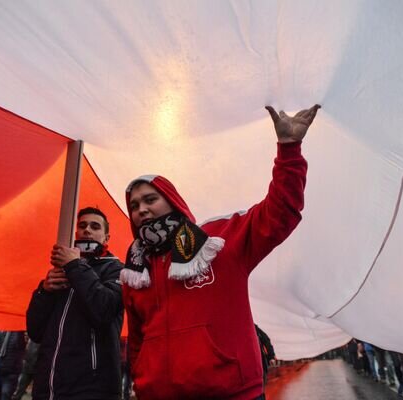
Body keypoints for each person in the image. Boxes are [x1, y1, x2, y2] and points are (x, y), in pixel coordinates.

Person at [121, 104, 320, 400]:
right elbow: (138, 338)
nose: (141, 209)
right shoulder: (136, 271)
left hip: (232, 393)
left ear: (173, 202)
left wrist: (289, 150)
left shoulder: (219, 239)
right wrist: (141, 379)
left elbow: (281, 213)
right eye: (134, 205)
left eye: (150, 199)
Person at [27, 207, 124, 400]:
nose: (87, 229)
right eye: (82, 225)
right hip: (48, 387)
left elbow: (104, 310)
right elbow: (35, 331)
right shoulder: (60, 272)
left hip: (91, 388)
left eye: (94, 226)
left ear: (106, 238)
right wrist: (44, 291)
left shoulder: (117, 269)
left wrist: (74, 266)